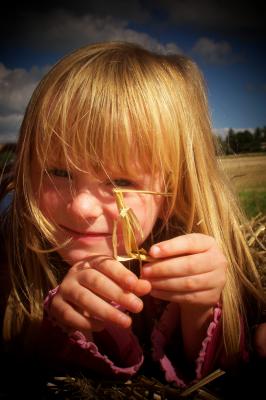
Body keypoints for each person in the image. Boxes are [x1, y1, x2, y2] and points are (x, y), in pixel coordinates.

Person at [0, 41, 265, 389]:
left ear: (172, 191)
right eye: (59, 172)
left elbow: (228, 369)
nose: (82, 208)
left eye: (121, 181)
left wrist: (199, 309)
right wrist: (68, 327)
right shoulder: (11, 254)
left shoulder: (205, 252)